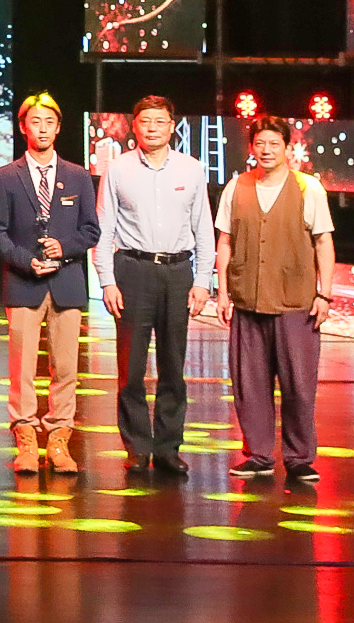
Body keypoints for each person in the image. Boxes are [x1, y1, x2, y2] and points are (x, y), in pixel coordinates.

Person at [94, 94, 215, 477]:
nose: (152, 128)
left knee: (173, 366)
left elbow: (204, 228)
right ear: (134, 125)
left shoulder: (191, 169)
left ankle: (167, 448)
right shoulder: (118, 169)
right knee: (130, 368)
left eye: (160, 121)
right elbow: (104, 229)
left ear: (172, 127)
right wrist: (107, 281)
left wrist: (203, 281)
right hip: (133, 269)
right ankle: (137, 448)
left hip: (177, 271)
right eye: (145, 121)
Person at [0, 92, 100, 475]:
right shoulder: (5, 177)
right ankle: (26, 438)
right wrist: (24, 260)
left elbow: (91, 230)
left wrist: (64, 248)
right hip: (23, 283)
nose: (43, 129)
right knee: (22, 368)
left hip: (66, 282)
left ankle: (60, 438)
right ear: (23, 127)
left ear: (59, 127)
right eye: (35, 122)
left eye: (49, 122)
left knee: (66, 367)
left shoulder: (78, 176)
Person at [216, 117, 336, 486]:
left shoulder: (308, 188)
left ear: (286, 147)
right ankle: (258, 455)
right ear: (251, 147)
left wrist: (325, 293)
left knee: (299, 385)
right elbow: (225, 242)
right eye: (260, 143)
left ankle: (299, 458)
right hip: (248, 302)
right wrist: (223, 291)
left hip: (295, 303)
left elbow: (323, 242)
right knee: (249, 384)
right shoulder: (236, 187)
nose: (266, 150)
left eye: (274, 144)